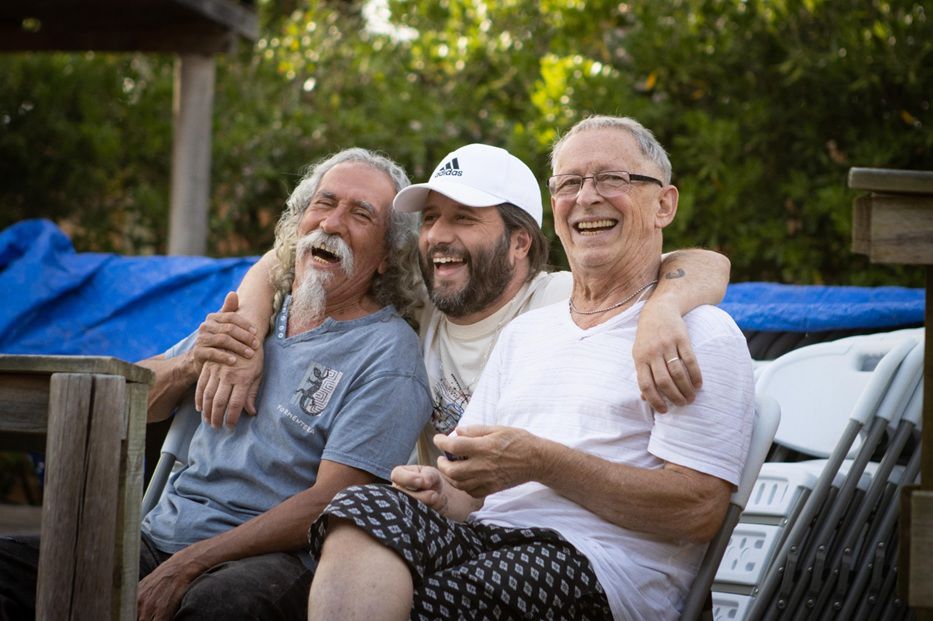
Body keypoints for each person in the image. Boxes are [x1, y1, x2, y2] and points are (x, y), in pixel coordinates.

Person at [305, 116, 756, 620]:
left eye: (611, 179)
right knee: (359, 510)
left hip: (598, 568)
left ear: (664, 205)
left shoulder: (696, 334)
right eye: (569, 183)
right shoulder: (525, 331)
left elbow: (697, 511)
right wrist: (444, 492)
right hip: (487, 541)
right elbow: (470, 492)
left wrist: (543, 462)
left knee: (429, 601)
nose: (586, 197)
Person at [0, 148, 432, 621]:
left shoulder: (389, 356)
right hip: (160, 537)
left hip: (270, 562)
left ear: (388, 257)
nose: (331, 223)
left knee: (219, 606)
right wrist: (190, 365)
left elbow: (331, 503)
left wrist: (191, 562)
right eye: (324, 204)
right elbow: (127, 400)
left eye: (360, 214)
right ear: (301, 220)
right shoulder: (253, 316)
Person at [195, 143, 732, 465]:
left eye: (465, 219)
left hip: (546, 550)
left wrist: (662, 310)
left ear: (520, 243)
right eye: (430, 219)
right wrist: (248, 324)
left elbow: (707, 262)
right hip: (437, 533)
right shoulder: (420, 305)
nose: (438, 237)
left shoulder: (564, 303)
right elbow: (297, 253)